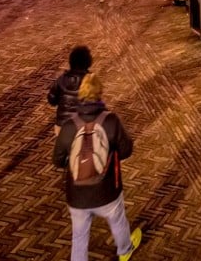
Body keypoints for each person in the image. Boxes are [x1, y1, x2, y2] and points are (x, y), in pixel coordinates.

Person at [52, 74, 142, 261]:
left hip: (77, 196)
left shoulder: (69, 125)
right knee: (118, 221)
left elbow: (58, 160)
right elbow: (126, 150)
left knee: (79, 236)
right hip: (107, 190)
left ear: (81, 94)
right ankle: (125, 250)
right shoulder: (111, 120)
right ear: (100, 93)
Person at [48, 45, 94, 135]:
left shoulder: (62, 79)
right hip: (83, 127)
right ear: (88, 62)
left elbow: (52, 100)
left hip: (63, 126)